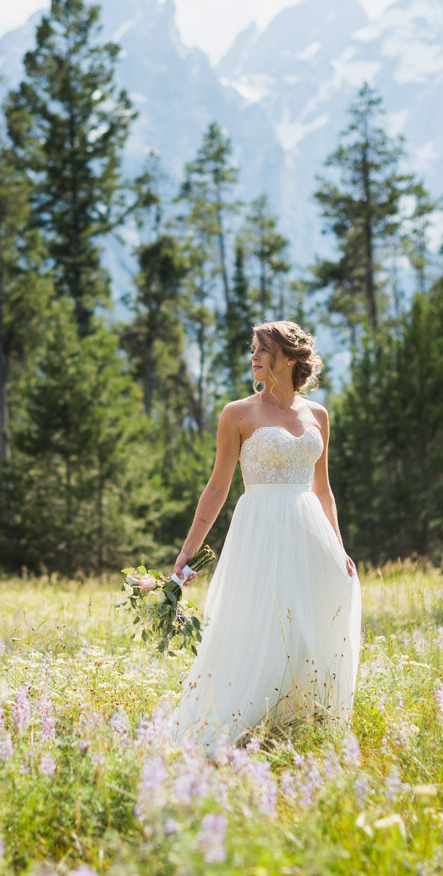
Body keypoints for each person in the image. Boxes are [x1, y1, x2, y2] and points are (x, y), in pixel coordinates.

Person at [169, 320, 361, 748]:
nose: (252, 356)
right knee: (263, 624)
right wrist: (188, 552)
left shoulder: (318, 415)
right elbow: (217, 488)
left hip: (310, 532)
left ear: (288, 358)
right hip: (260, 531)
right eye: (252, 349)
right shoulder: (237, 413)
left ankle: (301, 719)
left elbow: (323, 489)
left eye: (261, 349)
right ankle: (245, 723)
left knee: (311, 622)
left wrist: (339, 547)